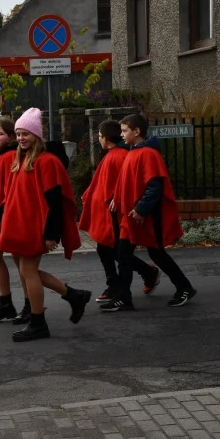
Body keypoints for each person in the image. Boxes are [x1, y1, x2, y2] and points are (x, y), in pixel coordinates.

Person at [0, 108, 91, 342]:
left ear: (37, 135)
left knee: (28, 272)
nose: (20, 138)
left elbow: (55, 202)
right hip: (22, 225)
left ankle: (39, 322)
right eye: (18, 134)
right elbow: (13, 194)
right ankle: (73, 296)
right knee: (27, 271)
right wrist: (0, 215)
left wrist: (51, 233)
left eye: (26, 133)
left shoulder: (46, 162)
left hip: (36, 227)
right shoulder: (21, 160)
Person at [101, 114, 196, 312]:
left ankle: (184, 287)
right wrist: (116, 200)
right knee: (124, 253)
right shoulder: (134, 152)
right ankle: (124, 297)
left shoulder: (148, 154)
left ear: (137, 132)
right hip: (132, 214)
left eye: (125, 130)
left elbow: (154, 186)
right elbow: (126, 182)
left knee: (156, 253)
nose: (122, 134)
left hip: (145, 215)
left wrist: (141, 208)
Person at [79, 120, 160, 303]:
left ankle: (124, 284)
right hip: (112, 211)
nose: (99, 140)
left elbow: (127, 180)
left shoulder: (118, 156)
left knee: (115, 251)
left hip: (116, 213)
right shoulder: (115, 154)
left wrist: (116, 197)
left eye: (99, 136)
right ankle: (124, 282)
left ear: (105, 138)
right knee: (109, 249)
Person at [0, 118, 30, 324]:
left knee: (21, 260)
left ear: (10, 137)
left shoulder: (11, 157)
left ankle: (30, 304)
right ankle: (6, 304)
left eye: (0, 134)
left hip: (7, 215)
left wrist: (1, 216)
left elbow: (11, 190)